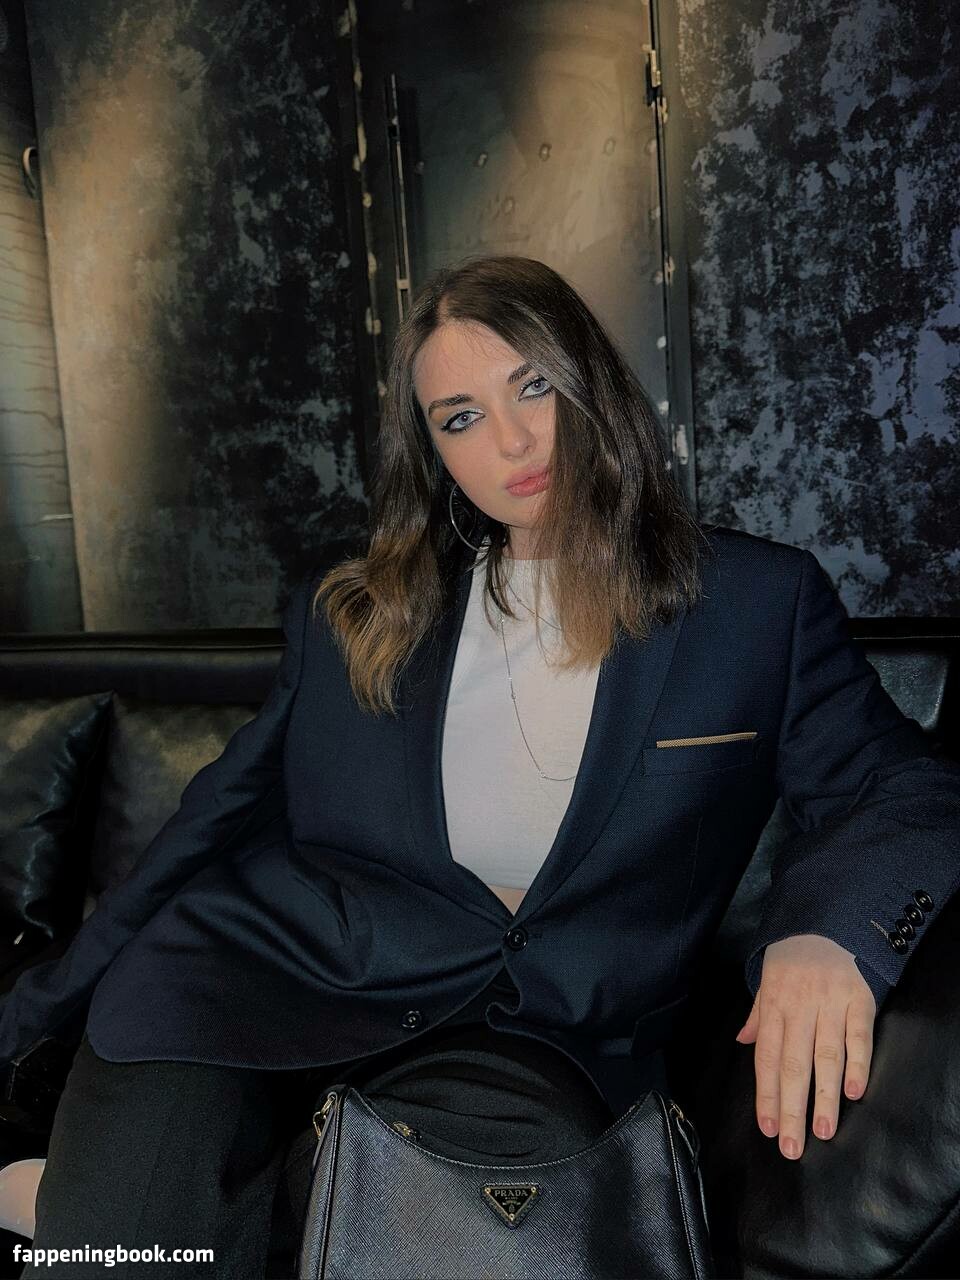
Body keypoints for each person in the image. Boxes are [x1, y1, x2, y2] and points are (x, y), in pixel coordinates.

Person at [2, 254, 959, 1278]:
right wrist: (27, 1018)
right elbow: (210, 823)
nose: (511, 441)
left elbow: (904, 785)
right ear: (434, 451)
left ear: (592, 382)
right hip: (242, 982)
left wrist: (831, 934)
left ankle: (74, 1197)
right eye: (460, 417)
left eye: (532, 387)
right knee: (118, 1255)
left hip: (523, 1037)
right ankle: (85, 1202)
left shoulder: (755, 607)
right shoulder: (355, 615)